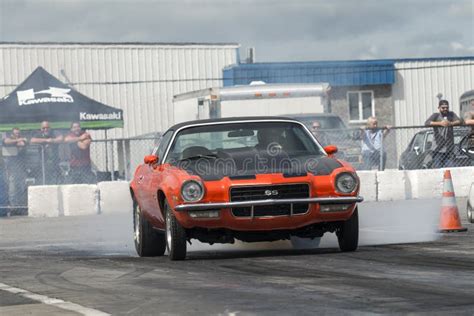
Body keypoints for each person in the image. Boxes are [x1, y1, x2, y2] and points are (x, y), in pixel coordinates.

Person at [425, 100, 461, 168]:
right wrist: (440, 123)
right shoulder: (436, 115)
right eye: (443, 107)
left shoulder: (451, 114)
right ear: (439, 108)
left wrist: (451, 123)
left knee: (452, 168)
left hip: (449, 150)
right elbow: (427, 123)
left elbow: (459, 121)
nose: (445, 109)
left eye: (447, 107)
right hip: (437, 150)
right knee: (438, 169)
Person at [2, 128, 28, 210]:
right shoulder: (9, 140)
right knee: (12, 188)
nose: (18, 135)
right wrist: (18, 140)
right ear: (12, 134)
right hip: (11, 169)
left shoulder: (21, 140)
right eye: (16, 134)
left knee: (22, 187)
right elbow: (6, 141)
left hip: (22, 168)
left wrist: (20, 141)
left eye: (19, 133)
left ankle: (22, 206)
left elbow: (23, 144)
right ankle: (13, 207)